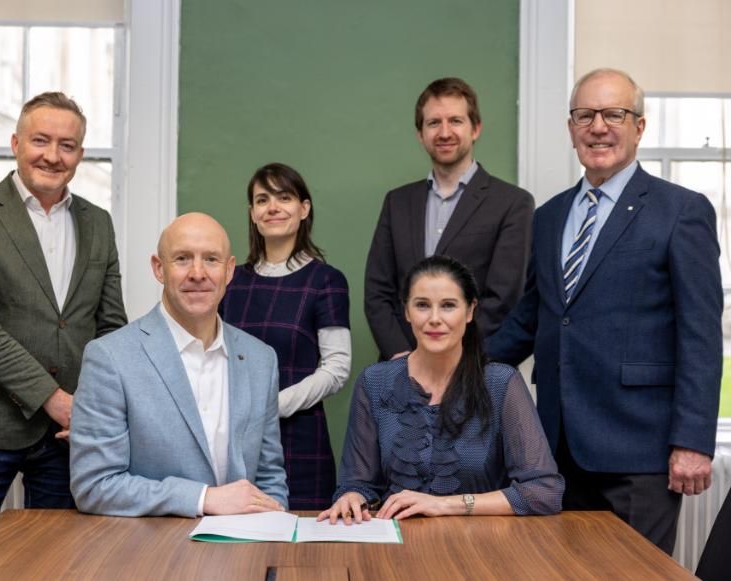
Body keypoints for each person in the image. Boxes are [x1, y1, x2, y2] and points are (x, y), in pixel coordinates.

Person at [487, 68, 723, 554]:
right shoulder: (550, 216)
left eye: (614, 113)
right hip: (556, 449)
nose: (598, 126)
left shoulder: (681, 210)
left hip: (641, 452)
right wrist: (447, 366)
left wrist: (693, 440)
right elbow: (531, 320)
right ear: (571, 128)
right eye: (585, 115)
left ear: (639, 126)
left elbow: (700, 333)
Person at [0, 92, 127, 556]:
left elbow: (111, 328)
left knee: (58, 560)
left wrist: (95, 409)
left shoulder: (98, 223)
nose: (52, 155)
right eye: (41, 140)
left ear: (80, 154)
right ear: (16, 142)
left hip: (69, 436)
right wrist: (55, 400)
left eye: (67, 145)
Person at [69, 212, 288, 517]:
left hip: (243, 552)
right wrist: (204, 499)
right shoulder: (110, 358)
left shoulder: (261, 359)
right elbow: (94, 486)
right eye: (183, 259)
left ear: (229, 271)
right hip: (150, 555)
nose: (198, 273)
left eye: (211, 259)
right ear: (159, 269)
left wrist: (271, 529)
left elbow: (269, 477)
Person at [319, 256, 563, 524]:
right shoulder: (374, 381)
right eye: (422, 305)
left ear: (470, 311)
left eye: (448, 306)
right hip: (397, 543)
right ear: (407, 312)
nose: (434, 319)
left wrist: (444, 505)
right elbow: (359, 482)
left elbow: (543, 492)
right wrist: (352, 496)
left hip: (481, 548)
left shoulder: (501, 383)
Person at [365, 77, 534, 361]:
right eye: (433, 123)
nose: (445, 132)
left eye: (455, 121)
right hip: (402, 372)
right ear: (420, 133)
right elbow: (378, 292)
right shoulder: (397, 202)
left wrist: (452, 361)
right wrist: (404, 357)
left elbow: (503, 300)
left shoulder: (512, 204)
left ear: (475, 128)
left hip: (473, 371)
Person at [220, 163, 351, 509]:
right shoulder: (230, 281)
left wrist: (271, 407)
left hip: (301, 437)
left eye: (284, 197)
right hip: (233, 438)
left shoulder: (326, 281)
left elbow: (336, 368)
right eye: (262, 200)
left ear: (304, 208)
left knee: (304, 551)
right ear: (252, 213)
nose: (273, 207)